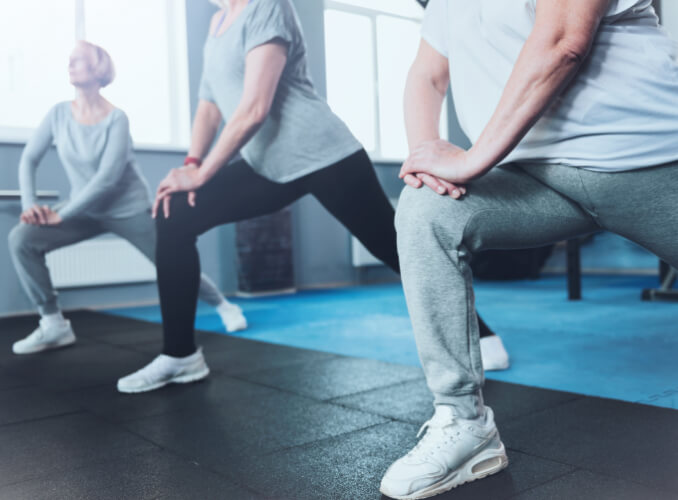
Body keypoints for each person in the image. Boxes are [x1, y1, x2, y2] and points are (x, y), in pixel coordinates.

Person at [116, 0, 509, 394]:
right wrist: (191, 163)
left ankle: (481, 333)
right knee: (173, 215)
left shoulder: (266, 6)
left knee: (396, 247)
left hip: (324, 153)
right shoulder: (218, 24)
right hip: (265, 164)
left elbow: (254, 107)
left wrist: (202, 174)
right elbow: (209, 107)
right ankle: (181, 355)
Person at [380, 0, 678, 498]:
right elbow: (428, 74)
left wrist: (472, 159)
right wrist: (426, 159)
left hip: (649, 165)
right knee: (425, 210)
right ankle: (462, 422)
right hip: (535, 180)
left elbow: (563, 42)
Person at [8, 40, 246, 357]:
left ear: (98, 69)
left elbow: (106, 180)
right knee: (22, 238)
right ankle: (53, 324)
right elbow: (28, 159)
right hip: (83, 208)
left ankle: (224, 306)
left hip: (127, 209)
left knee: (171, 260)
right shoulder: (58, 114)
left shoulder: (116, 119)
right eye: (70, 60)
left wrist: (61, 214)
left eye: (78, 60)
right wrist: (29, 207)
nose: (70, 65)